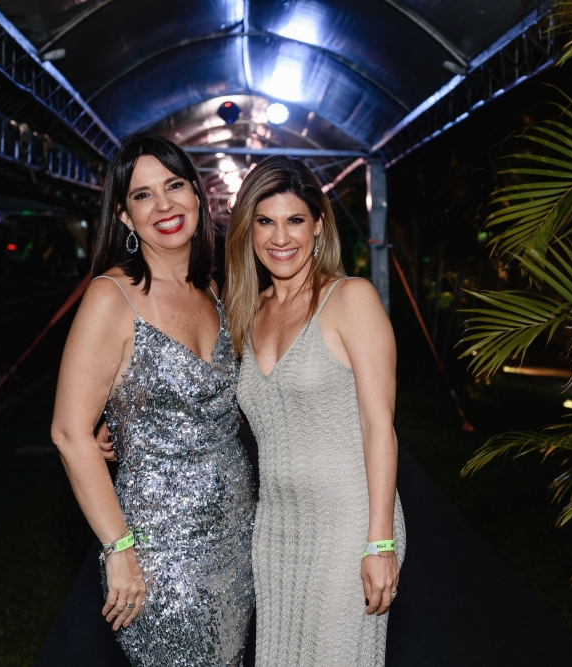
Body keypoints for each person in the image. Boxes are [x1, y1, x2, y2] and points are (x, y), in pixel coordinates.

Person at [51, 134, 255, 667]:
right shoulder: (110, 296)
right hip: (157, 551)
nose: (164, 205)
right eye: (143, 195)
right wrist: (117, 548)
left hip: (237, 538)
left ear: (197, 196)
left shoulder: (214, 292)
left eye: (174, 185)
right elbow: (69, 433)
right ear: (124, 216)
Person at [224, 156, 406, 667]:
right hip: (276, 527)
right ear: (248, 230)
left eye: (295, 220)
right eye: (265, 221)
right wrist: (123, 423)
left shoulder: (350, 299)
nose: (281, 237)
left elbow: (379, 425)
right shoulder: (247, 313)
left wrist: (380, 543)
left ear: (319, 225)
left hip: (351, 521)